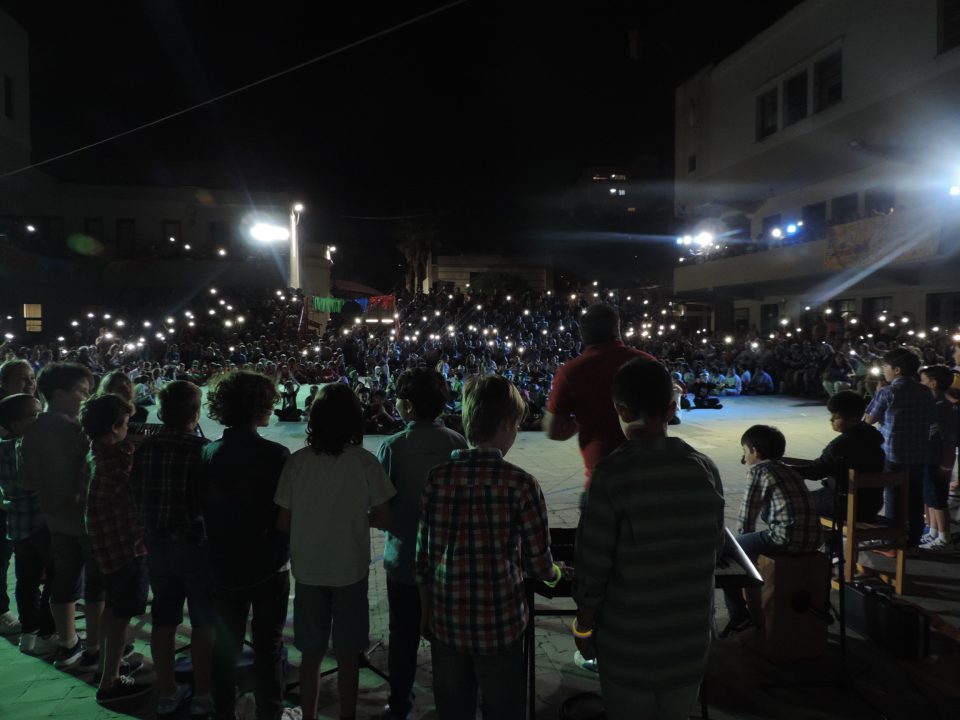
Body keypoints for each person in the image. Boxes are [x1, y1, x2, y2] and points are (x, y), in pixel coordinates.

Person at [573, 359, 725, 720]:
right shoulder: (703, 468)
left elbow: (593, 564)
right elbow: (715, 545)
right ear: (671, 408)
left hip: (629, 645)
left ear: (621, 410)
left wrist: (584, 625)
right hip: (688, 642)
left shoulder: (612, 474)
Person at [416, 375, 560, 720]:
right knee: (503, 707)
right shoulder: (521, 484)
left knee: (454, 708)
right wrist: (556, 575)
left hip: (448, 618)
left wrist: (426, 612)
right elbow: (539, 563)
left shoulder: (438, 477)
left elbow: (424, 558)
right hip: (501, 622)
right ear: (508, 424)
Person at [274, 383, 394, 720]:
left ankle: (309, 714)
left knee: (310, 654)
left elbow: (283, 521)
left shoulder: (297, 463)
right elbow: (385, 517)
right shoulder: (365, 462)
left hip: (309, 570)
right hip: (350, 570)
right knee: (347, 653)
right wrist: (357, 517)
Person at [201, 371, 297, 720]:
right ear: (258, 408)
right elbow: (285, 513)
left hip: (223, 562)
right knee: (268, 643)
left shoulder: (209, 452)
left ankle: (222, 711)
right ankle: (270, 711)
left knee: (226, 643)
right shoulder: (276, 455)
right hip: (268, 562)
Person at [376, 369, 468, 720]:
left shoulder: (393, 446)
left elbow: (383, 505)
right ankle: (452, 702)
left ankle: (400, 701)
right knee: (447, 637)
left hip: (405, 560)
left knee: (403, 636)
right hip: (448, 560)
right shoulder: (457, 443)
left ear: (408, 406)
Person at [130, 380, 215, 716]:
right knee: (204, 622)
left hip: (157, 545)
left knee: (163, 619)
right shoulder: (202, 450)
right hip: (196, 547)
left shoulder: (144, 449)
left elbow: (135, 493)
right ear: (195, 413)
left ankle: (167, 691)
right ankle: (204, 694)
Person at [19, 362, 105, 669]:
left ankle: (68, 644)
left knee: (64, 582)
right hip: (85, 519)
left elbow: (26, 479)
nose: (86, 398)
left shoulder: (31, 431)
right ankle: (97, 648)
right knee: (96, 585)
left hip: (55, 520)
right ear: (59, 393)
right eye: (81, 391)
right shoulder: (75, 431)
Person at [79, 394, 151, 704]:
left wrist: (129, 443)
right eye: (126, 424)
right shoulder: (118, 462)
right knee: (122, 617)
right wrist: (138, 446)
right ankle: (110, 682)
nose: (129, 430)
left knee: (112, 610)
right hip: (126, 549)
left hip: (106, 548)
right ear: (114, 427)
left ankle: (108, 666)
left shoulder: (96, 451)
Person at [543, 304, 653, 505]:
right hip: (650, 477)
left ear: (582, 334)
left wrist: (581, 419)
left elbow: (553, 431)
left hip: (602, 483)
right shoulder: (649, 364)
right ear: (617, 328)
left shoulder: (571, 372)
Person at [723, 425, 821, 635]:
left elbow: (747, 515)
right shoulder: (790, 470)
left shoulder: (759, 471)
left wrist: (742, 551)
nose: (744, 457)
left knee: (727, 553)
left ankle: (739, 617)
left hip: (785, 537)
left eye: (744, 451)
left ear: (754, 451)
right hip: (814, 539)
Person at [0, 393, 57, 655]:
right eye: (35, 414)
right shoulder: (28, 447)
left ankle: (28, 634)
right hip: (42, 523)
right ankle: (48, 630)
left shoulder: (2, 447)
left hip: (18, 525)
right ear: (16, 424)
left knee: (27, 580)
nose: (42, 418)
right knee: (57, 576)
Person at [865, 348, 935, 549]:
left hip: (893, 454)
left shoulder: (888, 392)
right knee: (915, 497)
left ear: (897, 370)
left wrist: (877, 394)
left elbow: (869, 419)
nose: (883, 370)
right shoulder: (925, 391)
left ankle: (891, 542)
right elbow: (931, 418)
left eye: (886, 366)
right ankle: (913, 542)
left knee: (893, 497)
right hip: (919, 452)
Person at [792, 390, 885, 522]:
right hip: (872, 504)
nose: (831, 420)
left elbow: (815, 472)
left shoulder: (841, 445)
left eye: (836, 417)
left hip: (845, 503)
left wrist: (785, 470)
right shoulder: (872, 437)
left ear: (852, 419)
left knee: (794, 501)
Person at [0, 358, 37, 638]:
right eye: (22, 379)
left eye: (32, 378)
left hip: (23, 506)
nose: (29, 383)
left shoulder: (32, 410)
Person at [918, 365, 957, 551]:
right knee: (930, 495)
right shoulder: (935, 404)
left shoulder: (941, 406)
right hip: (930, 455)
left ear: (933, 384)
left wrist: (946, 465)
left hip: (937, 457)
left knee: (938, 497)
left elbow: (947, 438)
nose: (921, 384)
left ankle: (944, 538)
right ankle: (933, 532)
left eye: (923, 381)